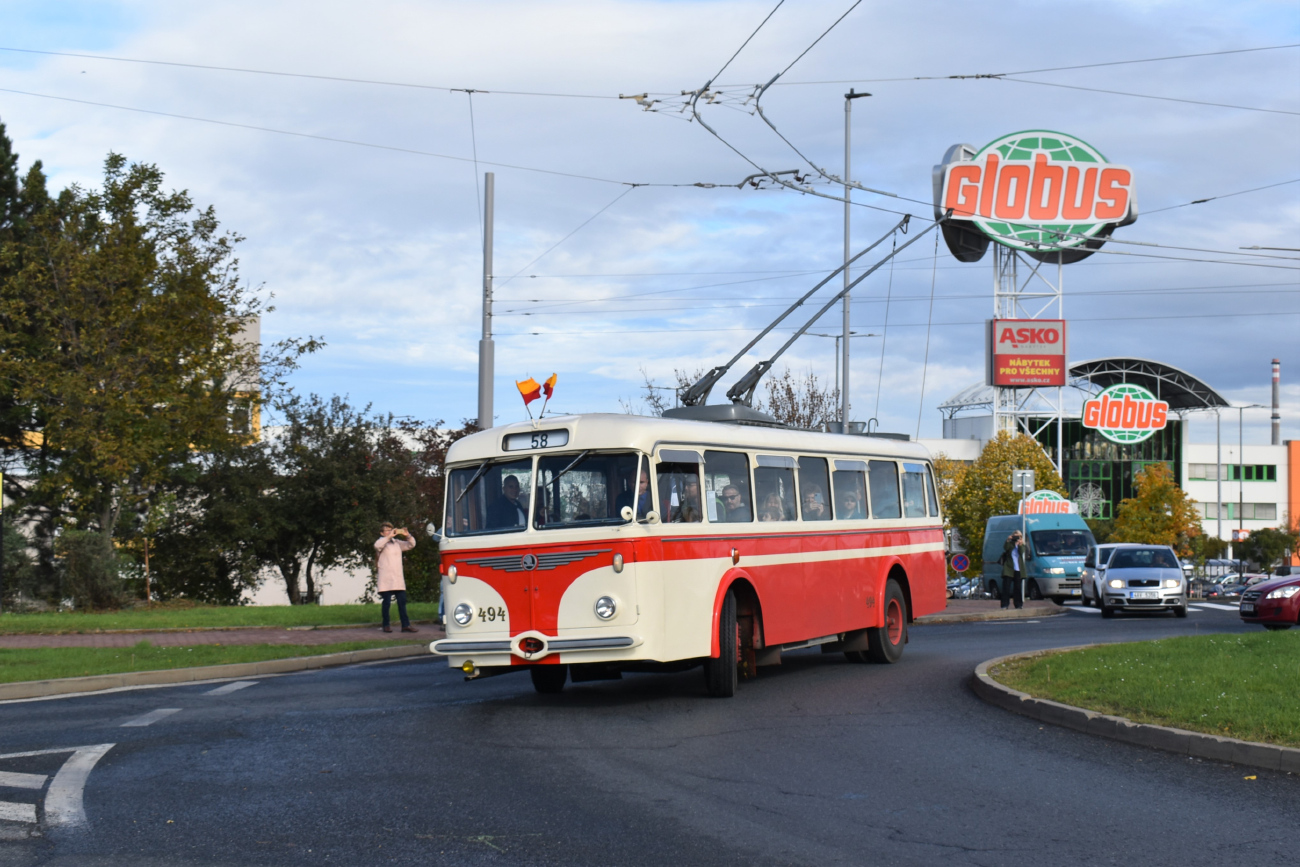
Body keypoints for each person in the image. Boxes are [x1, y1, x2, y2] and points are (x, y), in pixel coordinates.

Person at [375, 522, 417, 633]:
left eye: (391, 530)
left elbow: (411, 544)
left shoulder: (397, 543)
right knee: (387, 602)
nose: (390, 532)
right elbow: (377, 545)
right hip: (386, 578)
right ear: (382, 533)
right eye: (387, 531)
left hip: (397, 578)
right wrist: (388, 536)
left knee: (402, 602)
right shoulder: (381, 542)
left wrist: (407, 535)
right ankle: (386, 625)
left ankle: (405, 625)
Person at [1000, 530, 1031, 610]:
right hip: (1009, 567)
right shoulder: (1010, 544)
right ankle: (1004, 604)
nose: (1016, 538)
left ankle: (1018, 605)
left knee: (1017, 588)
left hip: (1018, 568)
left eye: (1018, 536)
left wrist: (1020, 544)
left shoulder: (1022, 545)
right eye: (1015, 536)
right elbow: (1006, 548)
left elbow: (1022, 552)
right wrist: (1008, 540)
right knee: (1006, 587)